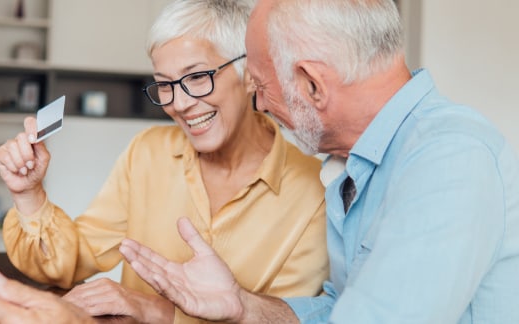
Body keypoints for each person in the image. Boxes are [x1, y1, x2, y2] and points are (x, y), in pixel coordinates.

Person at [119, 0, 519, 323]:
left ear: (312, 84)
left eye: (259, 85)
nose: (257, 103)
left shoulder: (448, 158)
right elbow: (340, 309)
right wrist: (243, 307)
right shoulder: (356, 164)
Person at [0, 0, 331, 323]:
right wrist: (29, 194)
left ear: (249, 74)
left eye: (197, 77)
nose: (179, 103)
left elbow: (286, 318)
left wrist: (157, 311)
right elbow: (68, 263)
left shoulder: (314, 190)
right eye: (164, 84)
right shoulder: (148, 153)